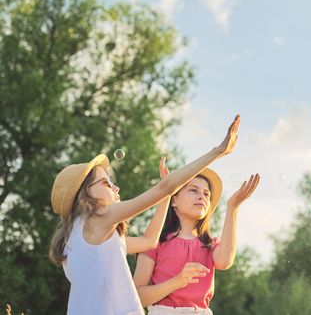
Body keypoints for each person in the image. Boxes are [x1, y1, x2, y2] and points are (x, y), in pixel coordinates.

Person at [49, 115, 241, 315]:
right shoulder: (98, 217)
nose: (116, 187)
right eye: (106, 183)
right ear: (85, 193)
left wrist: (167, 198)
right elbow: (165, 188)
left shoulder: (80, 236)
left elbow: (149, 241)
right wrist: (217, 152)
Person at [133, 164, 260, 315]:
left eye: (206, 194)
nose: (202, 196)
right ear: (173, 201)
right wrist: (178, 281)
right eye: (193, 190)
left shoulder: (210, 244)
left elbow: (225, 261)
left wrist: (232, 208)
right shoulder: (154, 242)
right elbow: (137, 297)